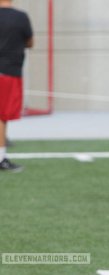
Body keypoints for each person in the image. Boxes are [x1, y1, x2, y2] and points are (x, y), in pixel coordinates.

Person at [0, 0, 33, 172]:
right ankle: (0, 158)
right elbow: (30, 42)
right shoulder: (20, 17)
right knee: (2, 116)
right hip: (8, 72)